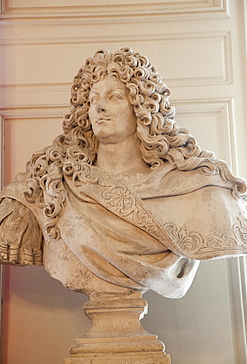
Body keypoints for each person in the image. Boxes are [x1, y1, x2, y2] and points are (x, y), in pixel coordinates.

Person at [0, 47, 246, 299]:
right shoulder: (50, 186)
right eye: (94, 99)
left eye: (114, 97)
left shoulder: (199, 188)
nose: (100, 108)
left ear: (142, 108)